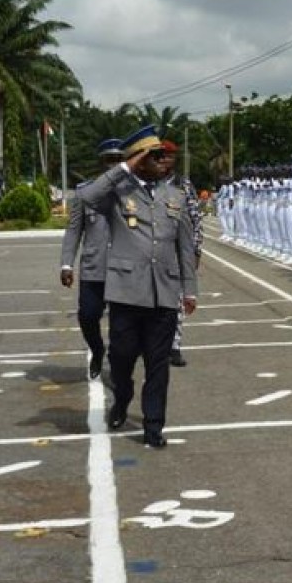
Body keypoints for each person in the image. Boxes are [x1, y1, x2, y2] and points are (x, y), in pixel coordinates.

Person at [77, 125, 198, 449]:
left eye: (163, 155)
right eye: (154, 155)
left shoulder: (176, 195)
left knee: (158, 364)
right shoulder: (118, 193)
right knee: (122, 357)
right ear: (138, 159)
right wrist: (125, 167)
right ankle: (123, 396)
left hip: (163, 292)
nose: (162, 161)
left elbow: (185, 246)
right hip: (126, 292)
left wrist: (190, 289)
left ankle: (153, 425)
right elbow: (86, 196)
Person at [60, 138, 124, 380]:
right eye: (109, 160)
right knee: (87, 316)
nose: (113, 165)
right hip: (94, 268)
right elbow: (74, 229)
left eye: (118, 159)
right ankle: (97, 350)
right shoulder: (84, 192)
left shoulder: (132, 191)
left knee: (122, 328)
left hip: (124, 271)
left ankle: (119, 373)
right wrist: (66, 263)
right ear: (101, 162)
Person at [157, 139, 201, 368]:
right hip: (153, 249)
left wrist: (196, 249)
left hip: (176, 250)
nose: (164, 160)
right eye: (160, 155)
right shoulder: (147, 183)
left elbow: (195, 217)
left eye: (168, 156)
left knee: (177, 301)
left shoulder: (183, 184)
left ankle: (174, 345)